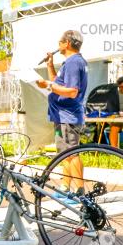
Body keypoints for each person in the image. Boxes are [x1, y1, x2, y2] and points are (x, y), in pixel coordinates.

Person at [35, 30, 88, 197]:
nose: (58, 45)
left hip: (68, 115)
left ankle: (80, 191)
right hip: (61, 115)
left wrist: (49, 85)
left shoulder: (73, 62)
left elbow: (72, 91)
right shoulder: (72, 62)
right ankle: (66, 186)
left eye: (59, 42)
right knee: (64, 153)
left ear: (67, 43)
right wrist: (50, 65)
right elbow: (59, 83)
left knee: (72, 152)